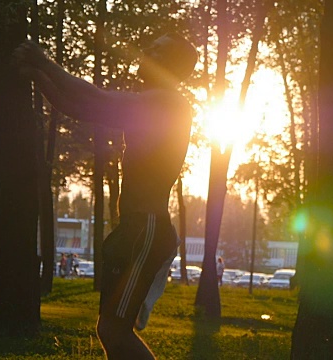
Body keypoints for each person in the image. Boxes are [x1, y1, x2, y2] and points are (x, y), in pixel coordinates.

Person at [12, 32, 197, 359]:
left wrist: (42, 62)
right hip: (135, 230)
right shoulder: (151, 104)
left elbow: (95, 97)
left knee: (115, 330)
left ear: (169, 65)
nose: (145, 50)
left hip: (146, 230)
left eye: (156, 48)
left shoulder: (167, 102)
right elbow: (79, 106)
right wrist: (38, 76)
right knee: (109, 330)